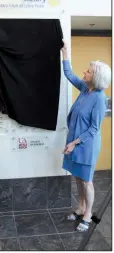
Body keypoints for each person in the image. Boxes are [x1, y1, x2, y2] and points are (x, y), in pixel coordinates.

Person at [61, 40, 111, 232]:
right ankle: (80, 207)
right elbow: (69, 74)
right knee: (77, 176)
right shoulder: (85, 89)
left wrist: (74, 143)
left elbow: (94, 129)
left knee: (86, 179)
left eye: (88, 71)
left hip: (85, 144)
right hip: (74, 142)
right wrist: (65, 53)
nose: (85, 73)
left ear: (96, 77)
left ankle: (88, 213)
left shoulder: (99, 98)